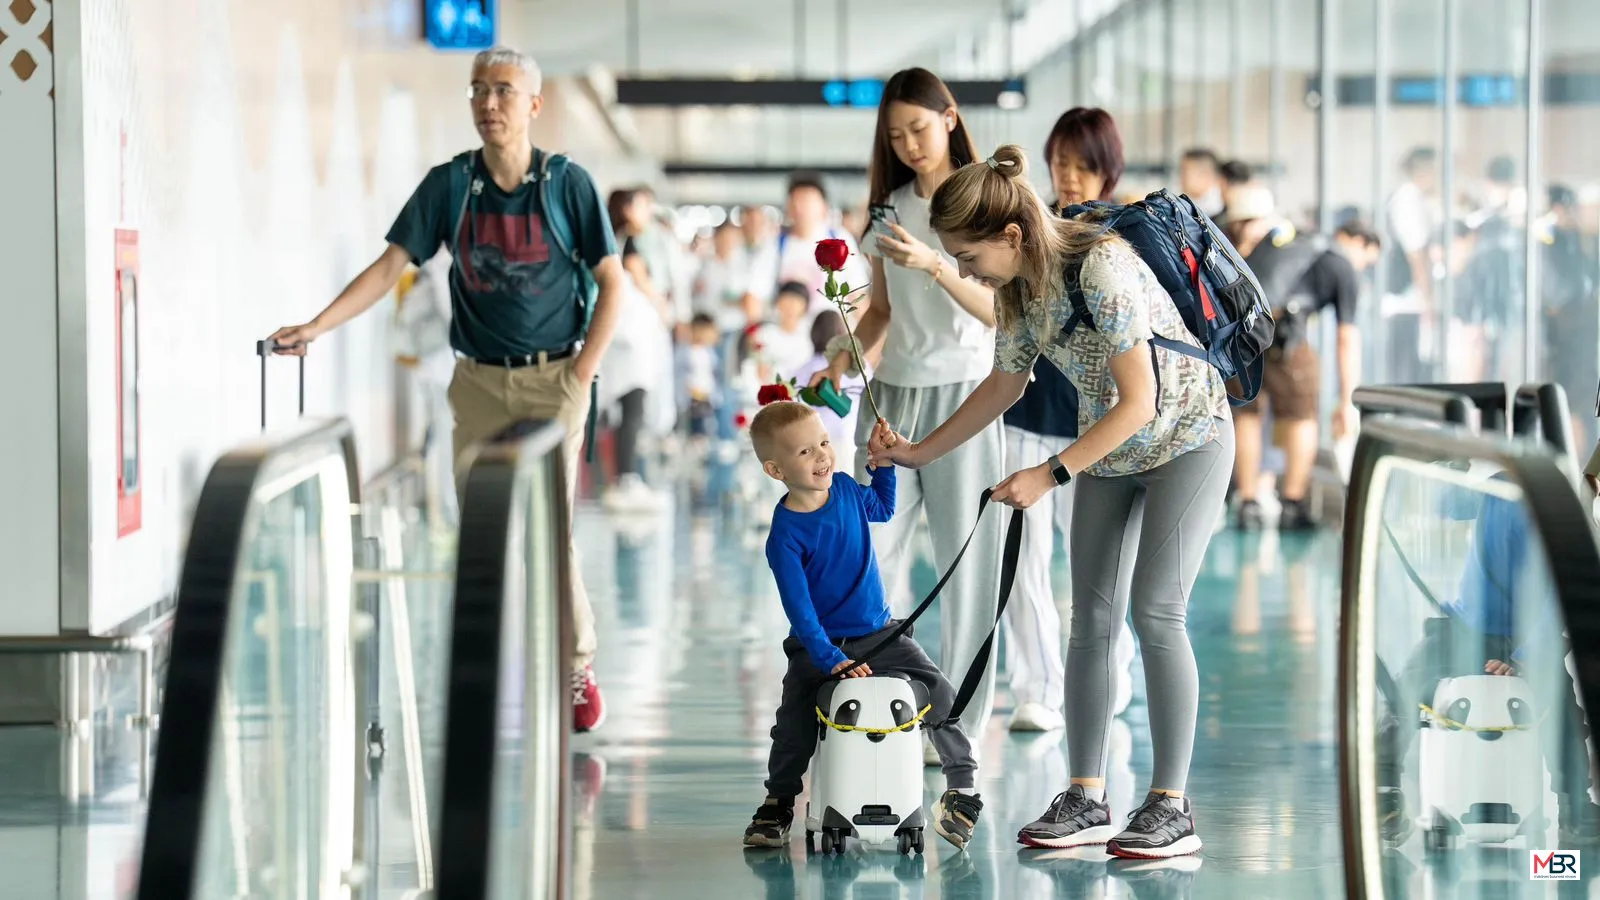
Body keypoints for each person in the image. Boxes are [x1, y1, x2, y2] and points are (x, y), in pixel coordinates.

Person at [871, 144, 1235, 859]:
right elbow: (1002, 387)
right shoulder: (1016, 291)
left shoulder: (1099, 267)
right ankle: (1086, 794)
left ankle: (1171, 805)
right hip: (1111, 449)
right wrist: (917, 452)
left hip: (1188, 439)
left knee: (1156, 611)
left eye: (968, 257)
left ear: (1011, 236)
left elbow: (1142, 402)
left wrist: (1048, 474)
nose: (965, 272)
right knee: (1089, 619)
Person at [267, 46, 622, 733]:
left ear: (533, 106)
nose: (489, 104)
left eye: (504, 92)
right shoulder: (450, 185)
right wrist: (316, 325)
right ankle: (491, 658)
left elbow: (615, 283)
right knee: (483, 530)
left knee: (552, 530)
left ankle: (575, 665)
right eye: (479, 90)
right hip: (477, 383)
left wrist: (581, 374)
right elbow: (388, 266)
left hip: (555, 379)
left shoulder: (566, 184)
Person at [808, 67, 1005, 759]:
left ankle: (960, 728)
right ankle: (869, 703)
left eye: (918, 128)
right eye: (895, 136)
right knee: (868, 558)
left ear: (950, 117)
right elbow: (883, 315)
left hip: (966, 397)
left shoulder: (986, 198)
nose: (909, 144)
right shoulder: (888, 207)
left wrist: (935, 263)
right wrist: (843, 351)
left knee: (967, 565)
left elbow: (1001, 311)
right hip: (891, 400)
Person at [741, 400, 984, 852]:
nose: (821, 456)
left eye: (824, 444)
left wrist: (882, 462)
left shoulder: (849, 490)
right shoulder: (785, 535)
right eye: (805, 453)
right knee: (793, 721)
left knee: (939, 690)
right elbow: (801, 613)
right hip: (820, 646)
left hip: (880, 633)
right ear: (776, 470)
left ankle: (962, 789)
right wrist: (831, 660)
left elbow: (885, 508)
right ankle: (778, 803)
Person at [1003, 107, 1137, 733]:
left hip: (1095, 433)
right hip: (1027, 416)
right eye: (1060, 164)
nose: (1071, 177)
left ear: (1107, 169)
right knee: (1024, 566)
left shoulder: (1125, 239)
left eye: (1084, 166)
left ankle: (1110, 674)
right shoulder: (1031, 232)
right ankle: (1036, 688)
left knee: (1099, 572)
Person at [1225, 190, 1381, 530]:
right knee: (1302, 417)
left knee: (1248, 416)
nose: (1364, 267)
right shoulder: (1343, 266)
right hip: (1284, 337)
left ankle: (1248, 502)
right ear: (1358, 243)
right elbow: (1346, 338)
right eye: (1369, 259)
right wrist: (1347, 399)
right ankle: (1293, 503)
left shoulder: (1299, 240)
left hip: (1242, 332)